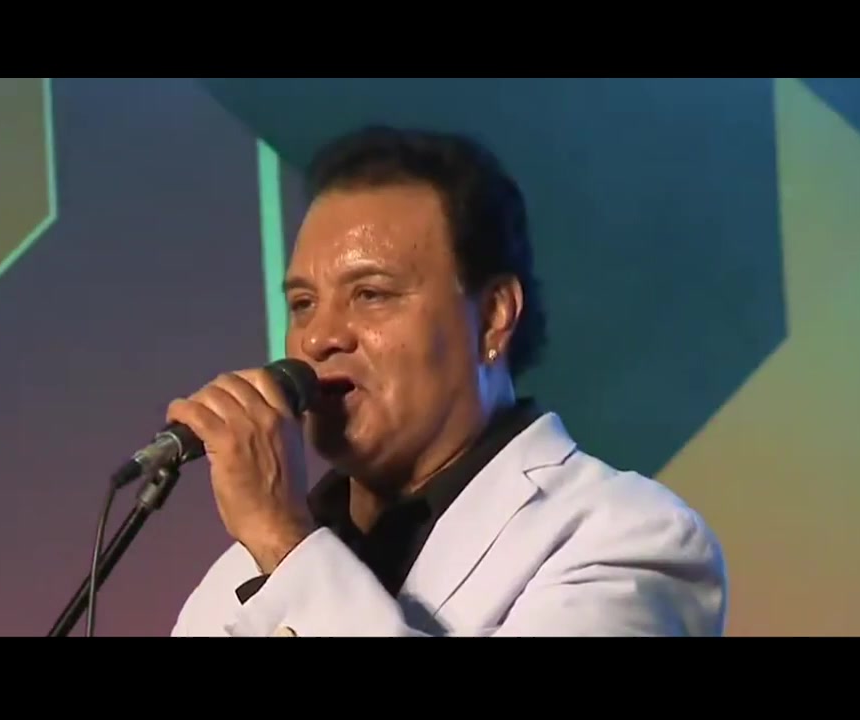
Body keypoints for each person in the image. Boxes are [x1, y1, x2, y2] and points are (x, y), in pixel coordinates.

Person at [165, 125, 728, 637]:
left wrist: (284, 542)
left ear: (493, 316)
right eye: (303, 304)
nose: (319, 339)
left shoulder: (631, 537)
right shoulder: (237, 581)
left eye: (370, 294)